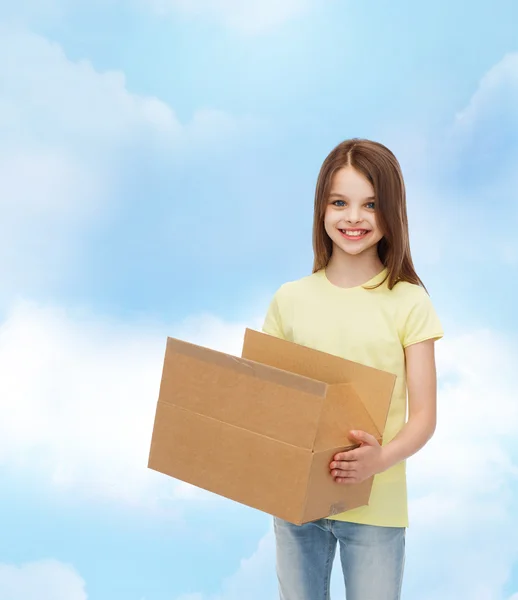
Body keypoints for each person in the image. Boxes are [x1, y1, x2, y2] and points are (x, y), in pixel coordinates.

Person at [261, 138, 443, 600]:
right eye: (339, 202)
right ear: (321, 209)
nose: (353, 218)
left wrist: (379, 459)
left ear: (392, 212)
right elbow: (264, 399)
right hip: (295, 501)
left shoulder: (409, 302)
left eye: (370, 204)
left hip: (376, 507)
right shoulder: (290, 299)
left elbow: (424, 417)